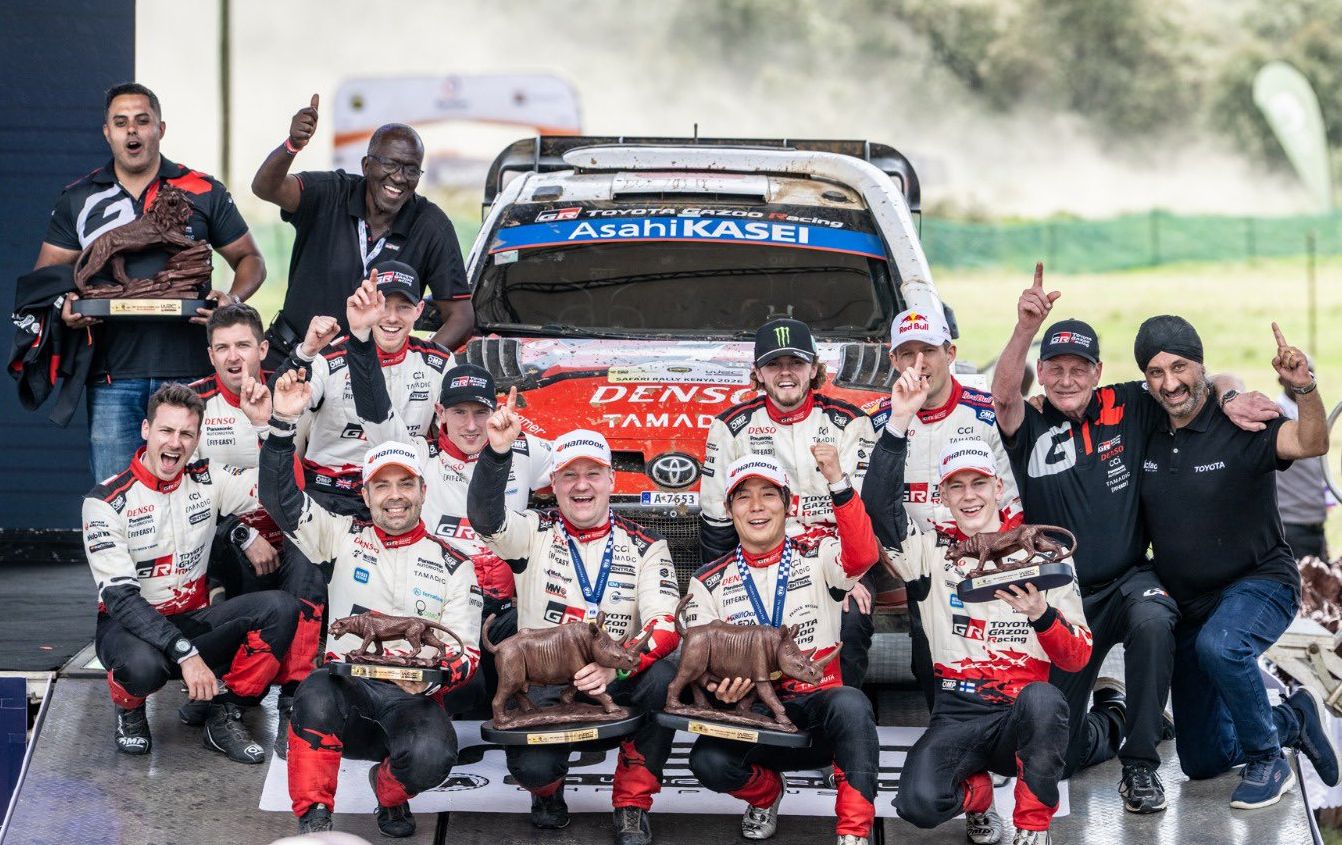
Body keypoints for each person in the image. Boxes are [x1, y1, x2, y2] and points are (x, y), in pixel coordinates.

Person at [990, 264, 1276, 813]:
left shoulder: (1130, 404)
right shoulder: (1028, 422)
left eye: (1079, 369)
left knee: (1154, 620)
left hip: (1128, 579)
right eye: (1055, 369)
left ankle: (1141, 767)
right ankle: (1117, 717)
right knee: (1057, 754)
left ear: (1098, 372)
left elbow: (1202, 383)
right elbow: (1003, 397)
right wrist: (1025, 327)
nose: (1067, 380)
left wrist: (1232, 396)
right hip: (1065, 595)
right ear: (1040, 374)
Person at [261, 369, 483, 837]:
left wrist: (435, 674)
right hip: (348, 695)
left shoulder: (456, 564)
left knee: (432, 757)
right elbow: (279, 498)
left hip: (413, 701)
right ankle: (315, 820)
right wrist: (281, 424)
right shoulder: (340, 537)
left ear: (423, 491)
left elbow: (465, 651)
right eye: (382, 485)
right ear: (365, 494)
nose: (395, 496)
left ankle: (387, 791)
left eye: (406, 484)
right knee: (312, 693)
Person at [1136, 316, 1340, 809]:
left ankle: (1269, 761)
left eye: (1180, 367)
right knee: (1202, 759)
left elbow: (1312, 441)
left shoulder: (1242, 420)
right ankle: (1292, 719)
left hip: (1260, 582)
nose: (1170, 383)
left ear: (1199, 364)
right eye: (1156, 372)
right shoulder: (1143, 422)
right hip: (1189, 603)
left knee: (1222, 645)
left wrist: (1303, 387)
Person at [868, 413, 1090, 845]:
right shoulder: (930, 553)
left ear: (998, 488)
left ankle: (1033, 825)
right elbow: (879, 509)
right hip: (957, 712)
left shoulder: (1047, 555)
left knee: (1048, 702)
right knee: (916, 804)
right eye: (956, 486)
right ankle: (979, 796)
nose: (969, 496)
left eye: (979, 484)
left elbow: (1077, 657)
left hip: (1022, 715)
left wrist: (1042, 614)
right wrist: (897, 425)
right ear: (942, 496)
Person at [467, 414, 681, 845]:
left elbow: (665, 624)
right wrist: (497, 454)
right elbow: (485, 518)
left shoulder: (646, 544)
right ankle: (547, 794)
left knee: (663, 678)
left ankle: (632, 804)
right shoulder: (532, 530)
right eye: (569, 475)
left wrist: (616, 669)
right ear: (554, 484)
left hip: (614, 677)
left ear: (611, 480)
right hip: (546, 681)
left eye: (592, 474)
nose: (581, 485)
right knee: (533, 769)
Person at [36, 82, 266, 481]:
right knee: (117, 494)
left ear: (160, 128)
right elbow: (45, 277)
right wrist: (64, 305)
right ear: (107, 132)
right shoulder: (79, 196)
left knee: (198, 494)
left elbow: (251, 260)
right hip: (112, 375)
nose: (132, 130)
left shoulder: (202, 189)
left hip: (192, 371)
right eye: (120, 122)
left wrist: (231, 299)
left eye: (142, 121)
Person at [342, 272, 552, 690]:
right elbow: (374, 409)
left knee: (535, 672)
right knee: (463, 697)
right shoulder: (417, 456)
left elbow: (585, 482)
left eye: (480, 412)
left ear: (496, 410)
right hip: (442, 607)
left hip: (509, 612)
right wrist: (361, 340)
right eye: (459, 413)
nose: (471, 426)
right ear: (439, 413)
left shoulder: (524, 448)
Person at [82, 383, 298, 764]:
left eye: (186, 434)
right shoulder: (105, 501)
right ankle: (130, 708)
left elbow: (280, 491)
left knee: (281, 609)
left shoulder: (208, 477)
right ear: (146, 430)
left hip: (193, 619)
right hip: (130, 628)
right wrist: (185, 654)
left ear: (197, 440)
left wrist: (269, 428)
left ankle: (224, 712)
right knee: (143, 668)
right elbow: (121, 600)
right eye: (166, 430)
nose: (175, 442)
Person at [683, 453, 882, 845]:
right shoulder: (706, 582)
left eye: (769, 494)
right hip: (755, 717)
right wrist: (716, 687)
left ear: (788, 505)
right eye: (743, 497)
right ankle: (766, 794)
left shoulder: (819, 555)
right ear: (729, 510)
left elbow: (863, 555)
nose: (757, 506)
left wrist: (838, 483)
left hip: (819, 716)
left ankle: (854, 832)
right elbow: (701, 663)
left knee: (852, 703)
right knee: (707, 761)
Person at [699, 317, 879, 687]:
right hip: (756, 561)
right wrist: (723, 589)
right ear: (757, 373)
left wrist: (851, 577)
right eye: (774, 364)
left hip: (834, 558)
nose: (785, 373)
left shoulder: (850, 423)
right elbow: (717, 523)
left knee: (852, 618)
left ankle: (840, 707)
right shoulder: (730, 427)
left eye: (796, 363)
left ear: (813, 369)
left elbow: (861, 513)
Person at [187, 303, 325, 753]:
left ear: (263, 350)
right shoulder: (192, 404)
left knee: (310, 555)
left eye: (243, 345)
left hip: (284, 530)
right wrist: (241, 534)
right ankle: (220, 687)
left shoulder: (291, 395)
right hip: (220, 539)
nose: (233, 357)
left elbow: (297, 488)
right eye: (222, 347)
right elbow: (181, 498)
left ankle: (293, 697)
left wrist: (267, 424)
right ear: (210, 355)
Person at [867, 307, 1020, 712]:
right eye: (908, 353)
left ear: (950, 353)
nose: (919, 363)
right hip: (914, 564)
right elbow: (868, 505)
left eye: (929, 351)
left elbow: (1012, 504)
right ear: (893, 359)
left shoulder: (986, 414)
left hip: (983, 560)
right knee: (928, 662)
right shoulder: (878, 420)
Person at [251, 94, 472, 365]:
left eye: (411, 170)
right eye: (390, 164)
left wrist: (414, 364)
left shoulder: (431, 225)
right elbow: (265, 188)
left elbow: (461, 316)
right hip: (290, 357)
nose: (399, 178)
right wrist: (292, 145)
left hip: (369, 374)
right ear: (367, 165)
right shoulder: (330, 193)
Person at [273, 262, 453, 515]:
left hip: (399, 493)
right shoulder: (330, 356)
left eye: (403, 307)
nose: (392, 317)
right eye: (383, 305)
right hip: (331, 489)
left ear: (419, 310)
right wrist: (306, 352)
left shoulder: (439, 362)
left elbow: (455, 432)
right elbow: (278, 404)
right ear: (365, 306)